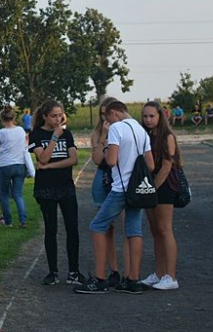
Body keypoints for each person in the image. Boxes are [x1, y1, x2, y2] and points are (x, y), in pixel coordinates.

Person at [74, 100, 154, 295]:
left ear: (115, 113)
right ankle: (132, 279)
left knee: (97, 226)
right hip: (137, 189)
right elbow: (150, 165)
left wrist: (109, 139)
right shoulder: (141, 130)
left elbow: (110, 161)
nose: (106, 121)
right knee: (134, 230)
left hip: (120, 188)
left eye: (107, 117)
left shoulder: (117, 128)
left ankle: (100, 278)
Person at [29, 100, 85, 286]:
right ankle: (53, 271)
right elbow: (42, 157)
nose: (58, 118)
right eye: (53, 115)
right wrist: (54, 137)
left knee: (72, 228)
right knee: (51, 229)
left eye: (60, 115)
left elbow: (73, 160)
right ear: (45, 116)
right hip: (46, 188)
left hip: (65, 186)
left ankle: (74, 271)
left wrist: (49, 166)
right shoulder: (36, 134)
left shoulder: (67, 134)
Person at [140, 101, 181, 290]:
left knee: (165, 229)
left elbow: (166, 166)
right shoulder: (145, 135)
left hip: (164, 186)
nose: (148, 120)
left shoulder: (167, 136)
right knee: (155, 231)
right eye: (145, 116)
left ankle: (171, 276)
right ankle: (158, 273)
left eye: (152, 116)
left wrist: (152, 189)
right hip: (150, 186)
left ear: (159, 117)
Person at [89, 97, 125, 289]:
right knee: (106, 227)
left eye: (108, 113)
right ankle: (114, 270)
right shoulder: (98, 133)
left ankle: (130, 273)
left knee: (128, 225)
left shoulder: (126, 130)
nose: (106, 117)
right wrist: (104, 135)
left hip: (123, 177)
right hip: (104, 178)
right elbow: (97, 159)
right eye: (102, 114)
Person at [0, 106, 28, 228]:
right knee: (18, 194)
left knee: (4, 194)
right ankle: (23, 219)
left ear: (1, 119)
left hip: (5, 165)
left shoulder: (0, 133)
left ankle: (8, 221)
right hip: (20, 164)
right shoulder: (21, 130)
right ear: (13, 117)